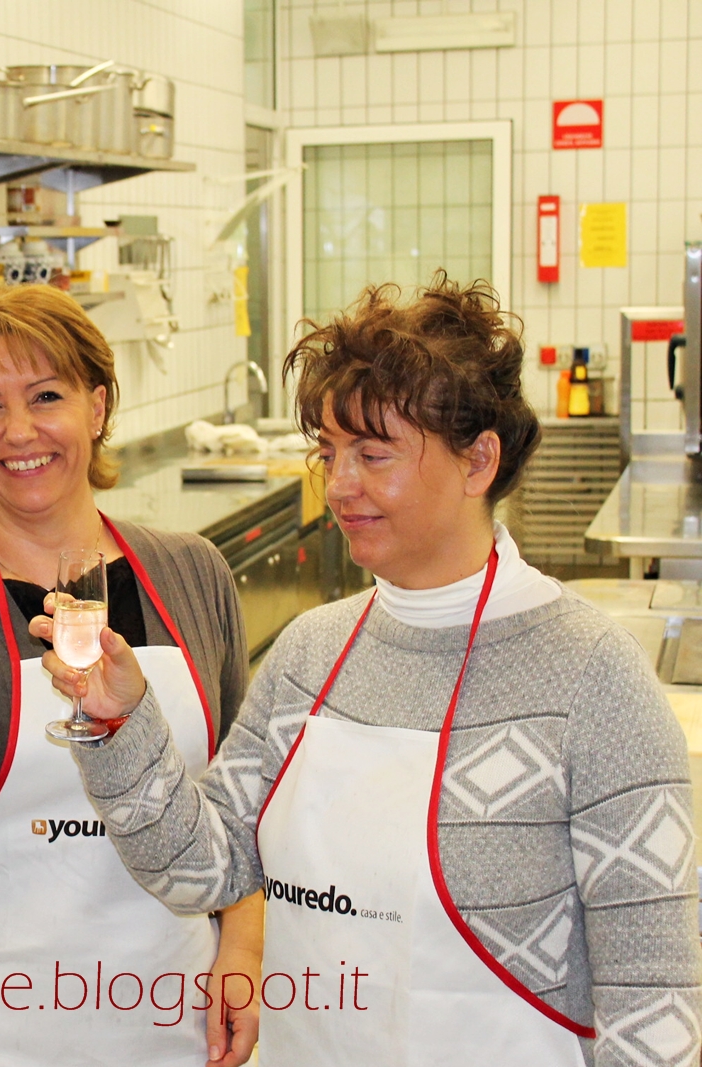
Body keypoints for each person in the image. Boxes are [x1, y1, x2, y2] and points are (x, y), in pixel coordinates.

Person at [63, 276, 702, 1066]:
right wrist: (121, 722)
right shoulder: (312, 653)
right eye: (329, 453)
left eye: (373, 454)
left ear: (479, 461)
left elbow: (654, 1001)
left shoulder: (590, 676)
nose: (339, 485)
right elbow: (202, 868)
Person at [0, 284, 264, 1066]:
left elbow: (246, 802)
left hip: (168, 1021)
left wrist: (243, 946)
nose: (19, 431)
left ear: (97, 406)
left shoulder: (192, 573)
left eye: (46, 396)